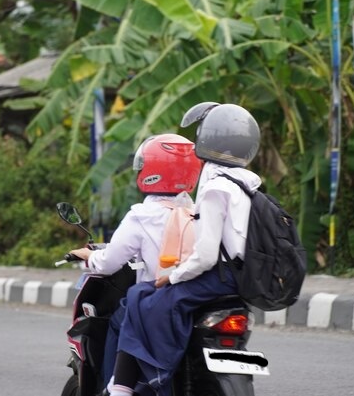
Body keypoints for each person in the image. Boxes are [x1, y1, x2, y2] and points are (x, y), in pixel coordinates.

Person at [108, 103, 262, 396]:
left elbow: (204, 257)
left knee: (140, 296)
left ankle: (136, 383)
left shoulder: (214, 188)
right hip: (243, 279)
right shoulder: (248, 184)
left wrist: (174, 276)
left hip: (218, 277)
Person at [68, 133, 203, 390]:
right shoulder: (198, 210)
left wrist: (89, 256)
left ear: (151, 171)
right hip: (195, 297)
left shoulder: (142, 215)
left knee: (121, 315)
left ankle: (115, 385)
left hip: (156, 299)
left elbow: (108, 262)